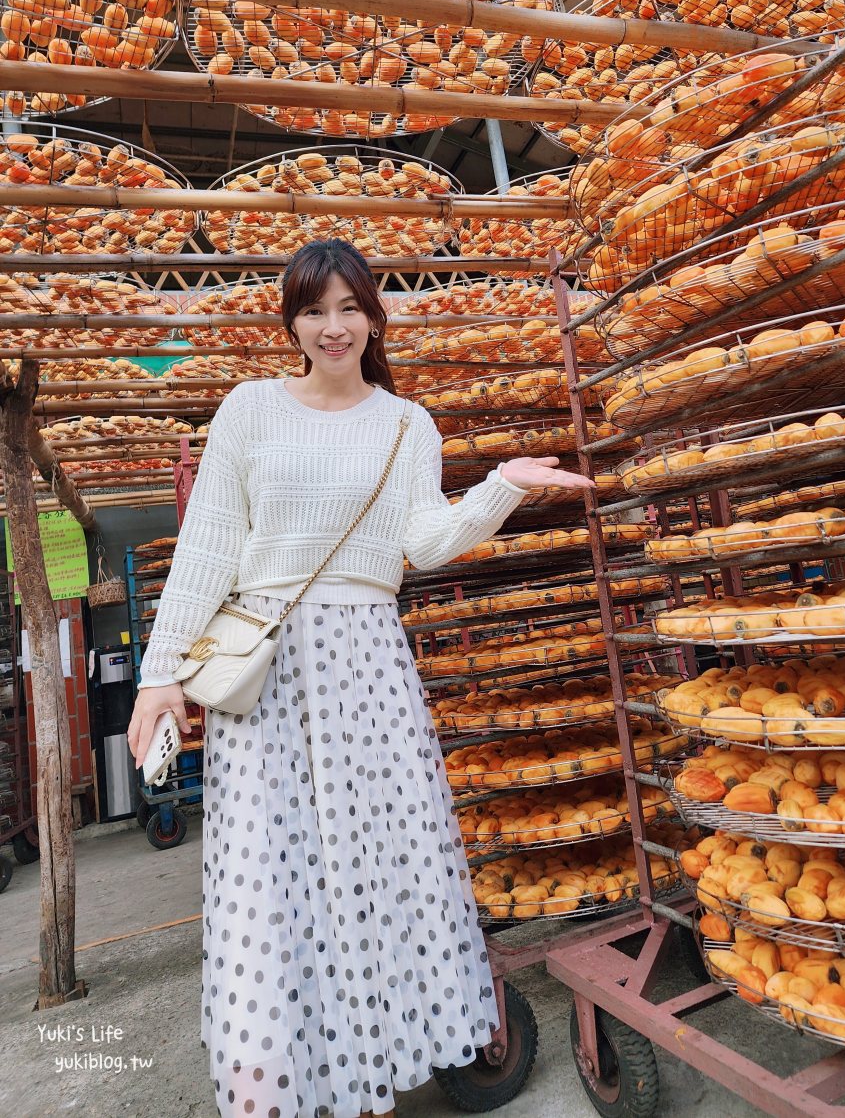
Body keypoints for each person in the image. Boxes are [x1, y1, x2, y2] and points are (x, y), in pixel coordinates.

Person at [127, 238, 595, 1118]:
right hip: (269, 669)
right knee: (276, 873)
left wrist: (498, 487)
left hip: (369, 664)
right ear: (292, 322)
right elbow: (208, 549)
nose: (332, 327)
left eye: (349, 308)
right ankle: (290, 1082)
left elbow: (421, 545)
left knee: (381, 863)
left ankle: (377, 1068)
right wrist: (160, 678)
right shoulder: (250, 409)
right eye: (313, 309)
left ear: (374, 316)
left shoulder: (406, 423)